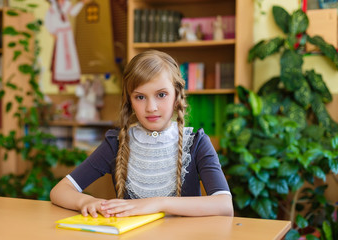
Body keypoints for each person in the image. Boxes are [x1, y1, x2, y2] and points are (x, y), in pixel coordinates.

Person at [50, 50, 233, 218]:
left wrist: (159, 203)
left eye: (161, 95)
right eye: (140, 97)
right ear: (130, 101)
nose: (151, 108)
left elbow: (224, 205)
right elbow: (60, 191)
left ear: (177, 95)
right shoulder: (117, 142)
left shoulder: (197, 143)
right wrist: (87, 201)